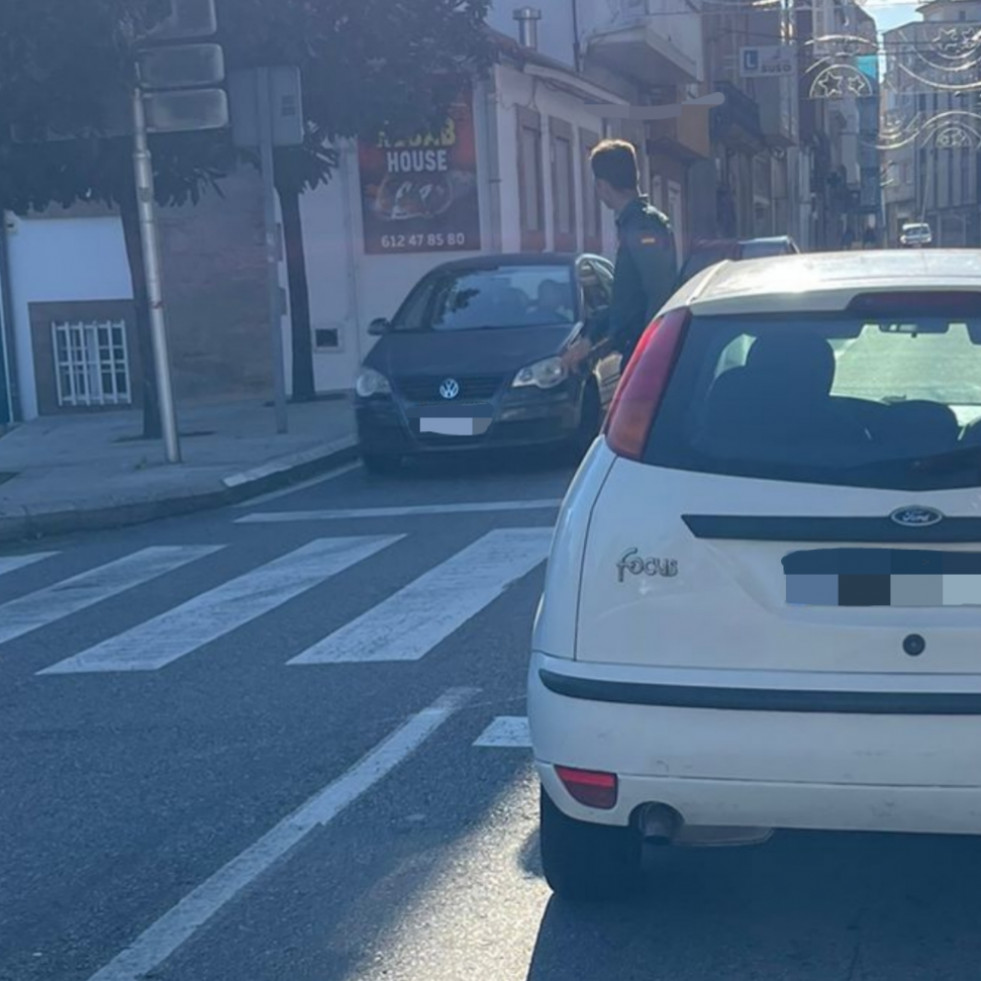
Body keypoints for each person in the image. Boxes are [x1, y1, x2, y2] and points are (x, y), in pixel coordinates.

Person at [589, 139, 677, 363]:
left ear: (602, 185)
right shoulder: (633, 224)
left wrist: (649, 354)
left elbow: (659, 292)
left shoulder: (642, 225)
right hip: (636, 347)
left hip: (647, 353)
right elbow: (626, 301)